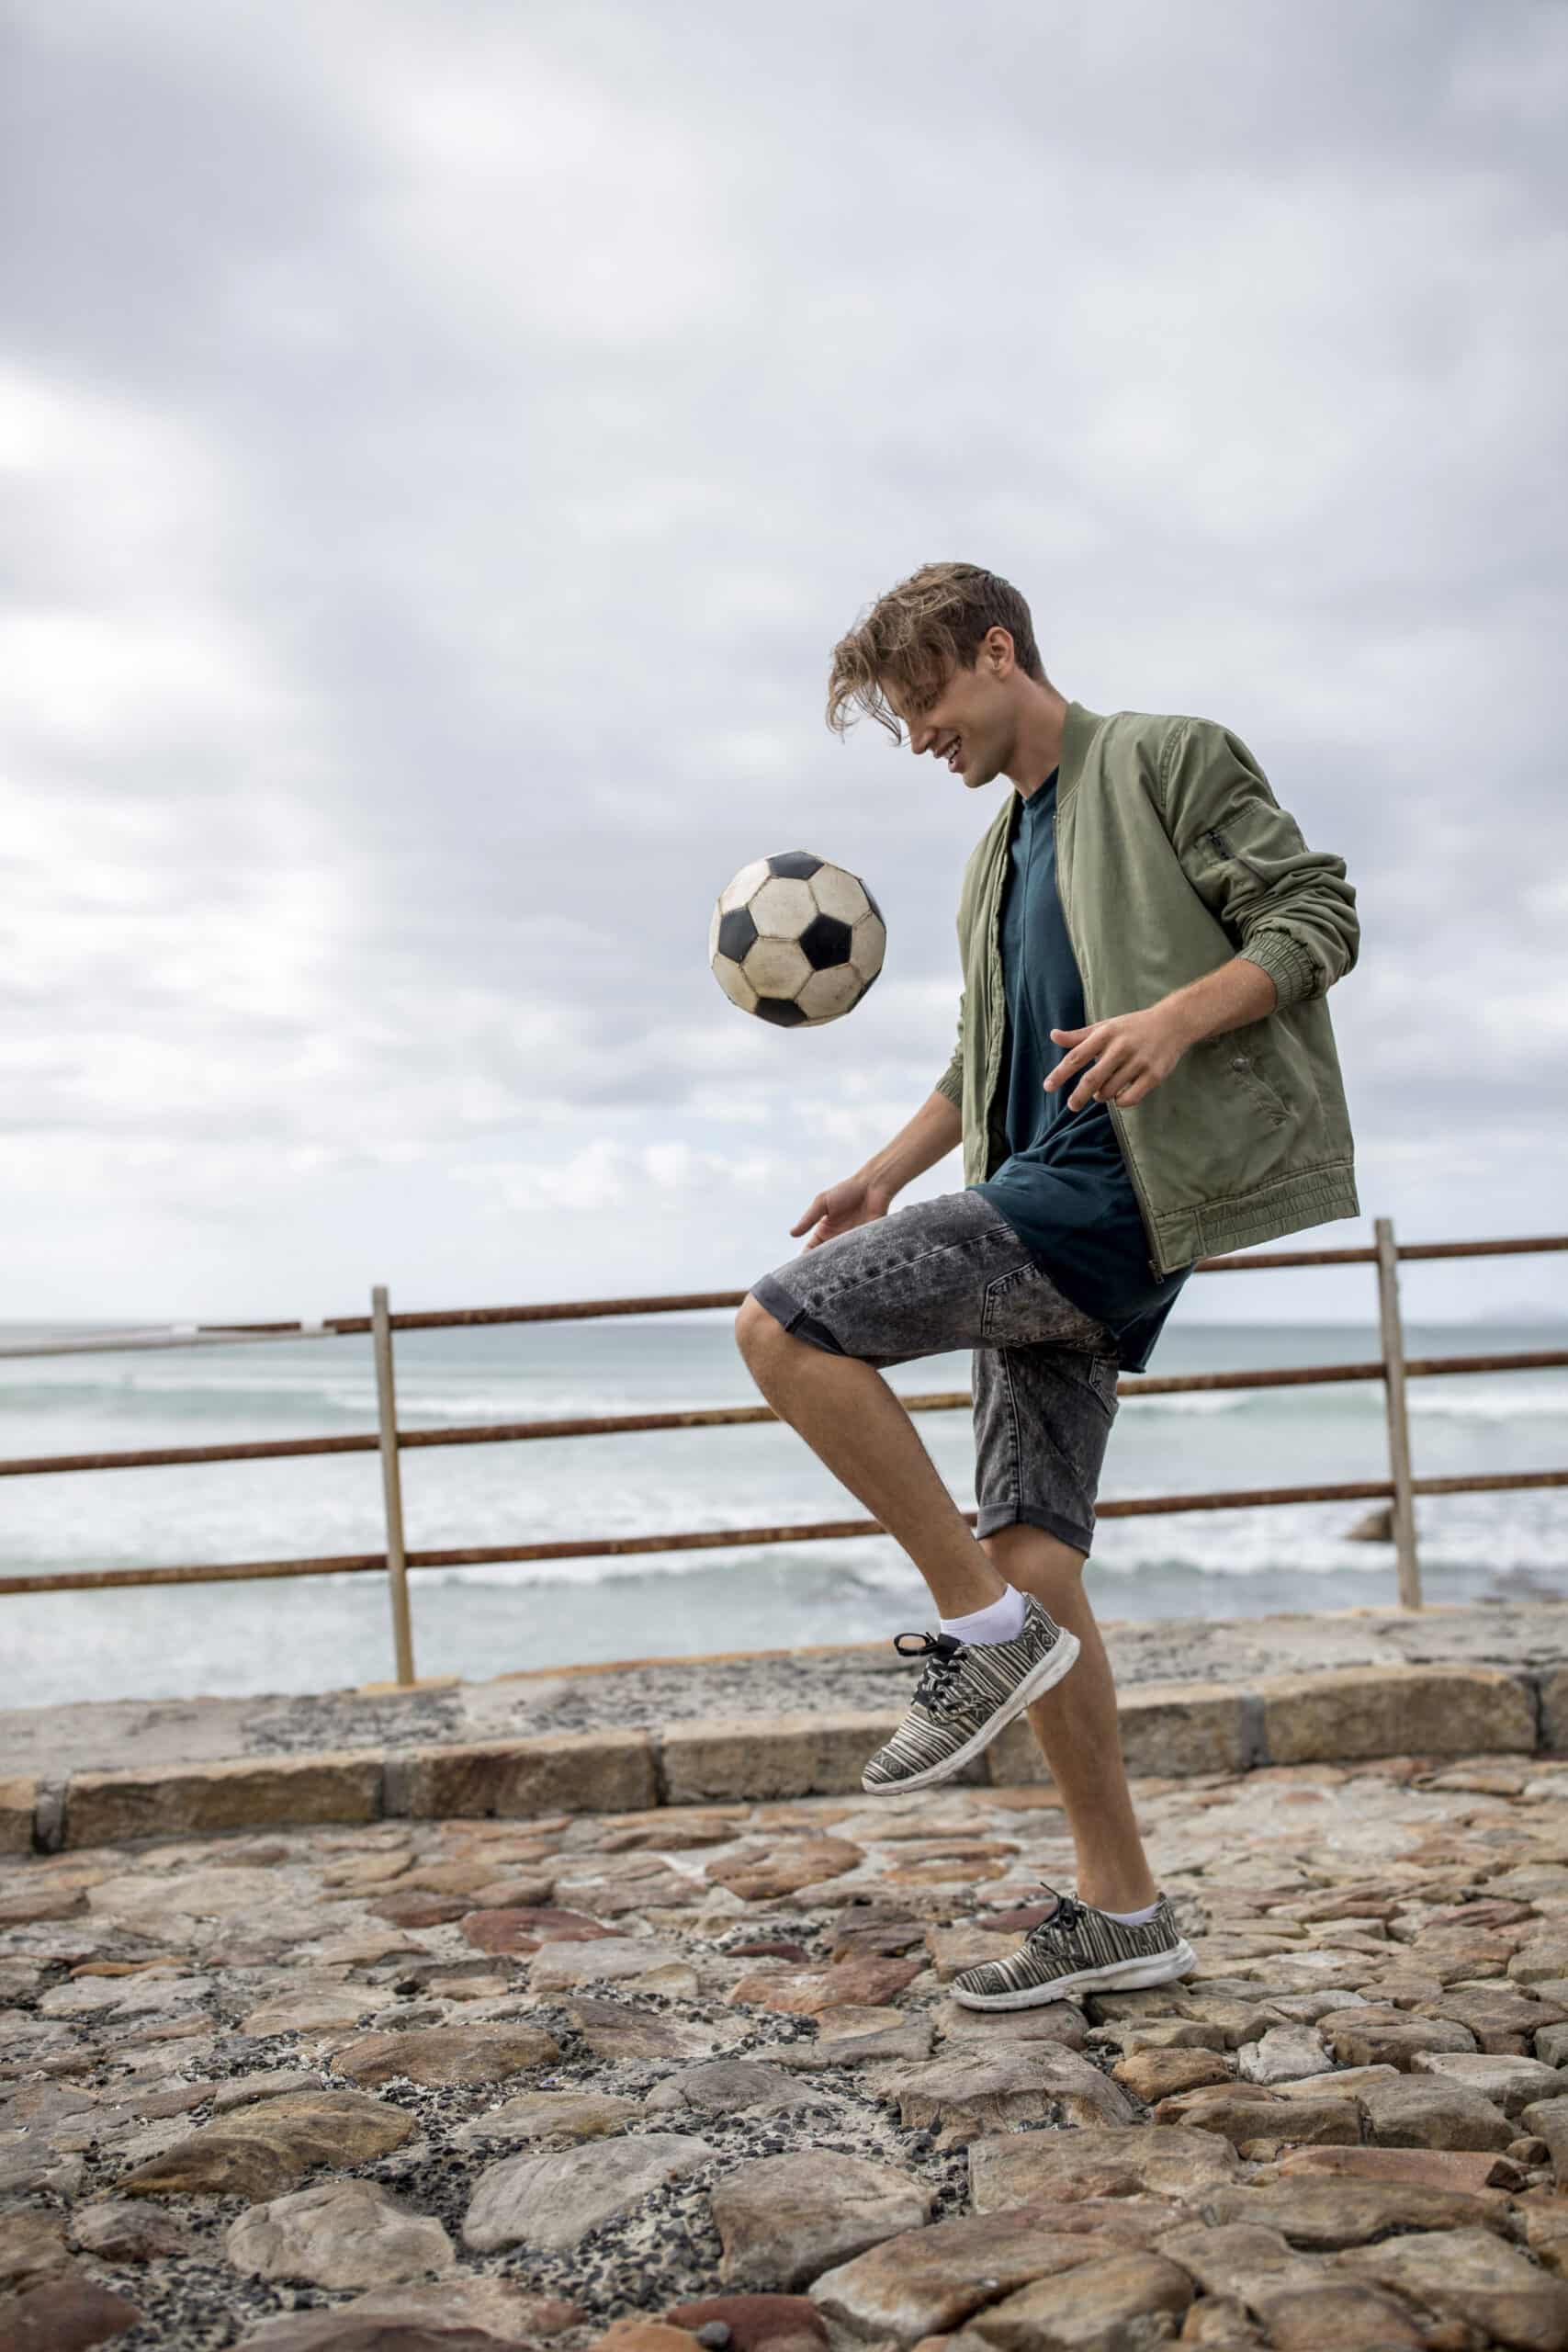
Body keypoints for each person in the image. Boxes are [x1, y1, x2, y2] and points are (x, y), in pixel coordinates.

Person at [734, 560, 1359, 2011]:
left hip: (1112, 1200)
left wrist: (1177, 1022)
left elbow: (1314, 918)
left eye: (927, 703)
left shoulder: (1165, 758)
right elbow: (980, 1058)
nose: (922, 739)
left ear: (999, 651)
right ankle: (1122, 1906)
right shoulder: (994, 854)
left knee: (782, 1324)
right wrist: (885, 1174)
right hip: (1039, 1208)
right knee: (1038, 1551)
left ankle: (976, 1634)